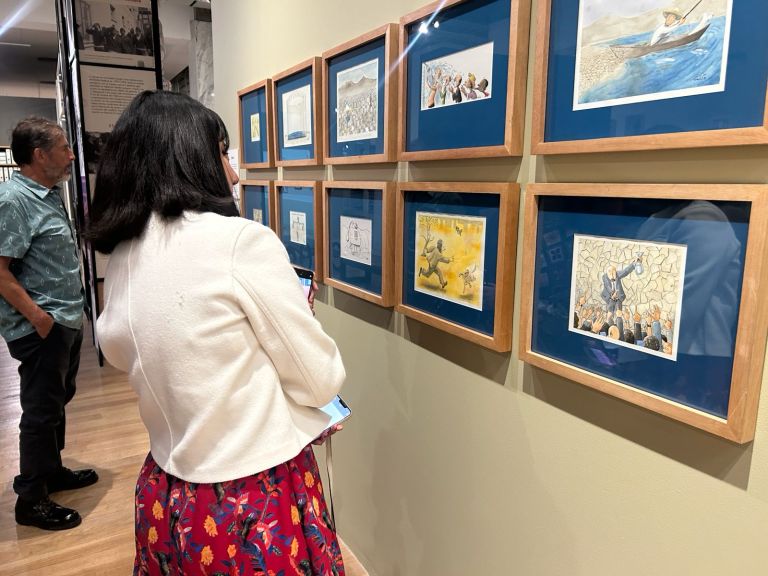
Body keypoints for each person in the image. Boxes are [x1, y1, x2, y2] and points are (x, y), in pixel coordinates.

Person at [87, 91, 347, 576]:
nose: (233, 173)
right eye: (222, 153)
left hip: (165, 493)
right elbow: (321, 381)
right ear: (190, 158)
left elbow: (122, 352)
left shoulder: (122, 256)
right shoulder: (240, 243)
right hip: (252, 497)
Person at [0, 117, 97, 531]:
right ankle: (31, 498)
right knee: (40, 411)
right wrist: (40, 319)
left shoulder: (49, 194)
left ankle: (52, 471)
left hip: (64, 319)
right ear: (40, 155)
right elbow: (0, 271)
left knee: (56, 401)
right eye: (64, 147)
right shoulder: (13, 200)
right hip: (42, 326)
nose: (72, 155)